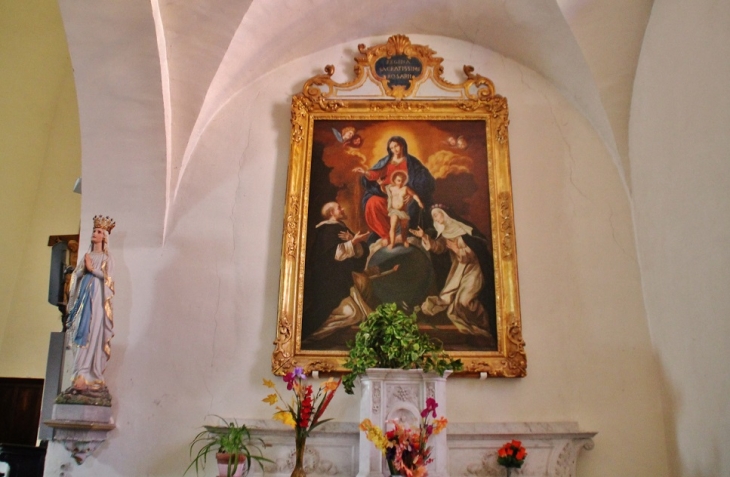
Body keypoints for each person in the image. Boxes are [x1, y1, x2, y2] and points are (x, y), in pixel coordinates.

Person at [410, 206, 496, 340]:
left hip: (474, 270)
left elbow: (474, 255)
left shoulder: (464, 231)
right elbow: (439, 248)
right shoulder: (445, 234)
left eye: (437, 215)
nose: (436, 219)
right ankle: (474, 330)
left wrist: (457, 250)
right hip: (459, 269)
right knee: (448, 298)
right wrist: (424, 236)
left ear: (445, 215)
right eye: (434, 217)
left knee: (464, 301)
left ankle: (484, 326)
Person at [301, 202, 369, 341]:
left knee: (358, 308)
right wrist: (353, 242)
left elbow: (358, 252)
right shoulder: (327, 230)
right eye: (339, 208)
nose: (343, 208)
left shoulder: (340, 227)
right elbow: (335, 255)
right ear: (331, 213)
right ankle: (313, 336)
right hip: (329, 282)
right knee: (353, 313)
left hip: (341, 279)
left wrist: (354, 241)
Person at [66, 215, 115, 394]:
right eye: (94, 231)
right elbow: (76, 277)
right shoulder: (87, 256)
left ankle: (88, 372)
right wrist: (81, 271)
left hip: (97, 301)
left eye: (99, 232)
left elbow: (110, 280)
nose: (95, 233)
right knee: (80, 329)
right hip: (83, 298)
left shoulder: (106, 258)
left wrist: (92, 270)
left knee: (93, 332)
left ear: (104, 238)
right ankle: (79, 372)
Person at [353, 136, 434, 243]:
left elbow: (424, 179)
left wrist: (411, 192)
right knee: (372, 203)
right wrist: (365, 172)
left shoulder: (412, 162)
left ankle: (403, 236)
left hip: (403, 195)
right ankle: (387, 236)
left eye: (396, 146)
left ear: (402, 145)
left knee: (411, 205)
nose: (394, 149)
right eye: (391, 148)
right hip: (386, 195)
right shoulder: (386, 161)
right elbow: (375, 173)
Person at [384, 170, 424, 249]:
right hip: (394, 211)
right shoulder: (390, 188)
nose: (400, 182)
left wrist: (419, 202)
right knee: (393, 227)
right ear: (394, 180)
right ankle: (392, 243)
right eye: (398, 180)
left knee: (404, 227)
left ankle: (404, 240)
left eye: (402, 180)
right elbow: (382, 189)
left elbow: (414, 194)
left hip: (403, 211)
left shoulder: (405, 188)